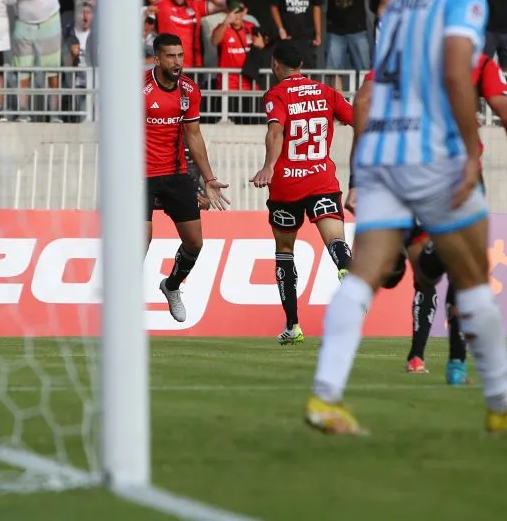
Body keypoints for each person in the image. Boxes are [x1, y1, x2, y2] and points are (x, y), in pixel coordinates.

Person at [305, 0, 507, 435]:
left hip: (382, 152)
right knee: (472, 280)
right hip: (431, 152)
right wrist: (469, 151)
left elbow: (372, 87)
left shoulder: (400, 2)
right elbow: (454, 71)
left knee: (365, 275)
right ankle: (502, 401)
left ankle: (325, 397)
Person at [348, 54, 507, 384]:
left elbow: (362, 100)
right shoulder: (478, 61)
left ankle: (415, 258)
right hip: (464, 174)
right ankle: (456, 363)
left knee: (429, 275)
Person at [249, 41, 355, 345]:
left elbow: (275, 131)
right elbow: (356, 120)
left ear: (275, 65)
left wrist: (268, 166)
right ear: (302, 67)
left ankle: (293, 325)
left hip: (286, 184)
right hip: (321, 179)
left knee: (284, 251)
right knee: (335, 238)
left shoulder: (276, 94)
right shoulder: (327, 92)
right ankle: (347, 270)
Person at [145, 33, 230, 323]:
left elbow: (193, 136)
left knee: (195, 243)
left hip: (176, 173)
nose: (177, 61)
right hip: (140, 175)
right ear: (157, 58)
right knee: (141, 241)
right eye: (170, 56)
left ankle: (171, 286)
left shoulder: (189, 90)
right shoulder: (138, 88)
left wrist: (208, 178)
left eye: (180, 55)